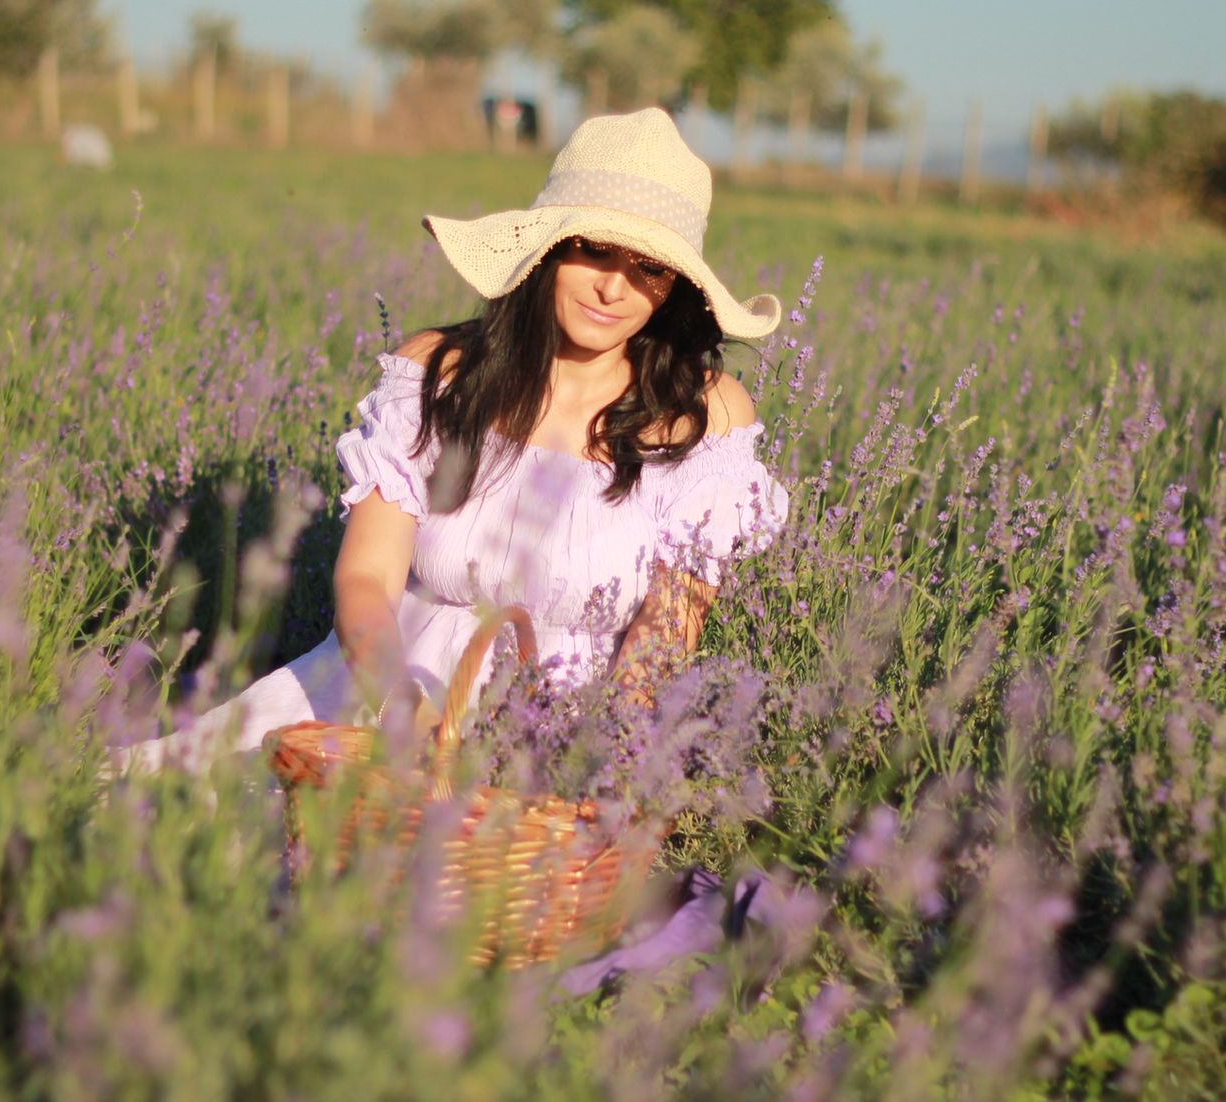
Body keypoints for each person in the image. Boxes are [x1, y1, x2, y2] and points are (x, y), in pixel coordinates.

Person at [108, 108, 790, 778]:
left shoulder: (702, 417)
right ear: (549, 248)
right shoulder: (440, 376)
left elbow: (666, 635)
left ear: (674, 287)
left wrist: (598, 759)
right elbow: (366, 578)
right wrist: (403, 713)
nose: (615, 287)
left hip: (567, 728)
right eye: (593, 250)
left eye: (649, 268)